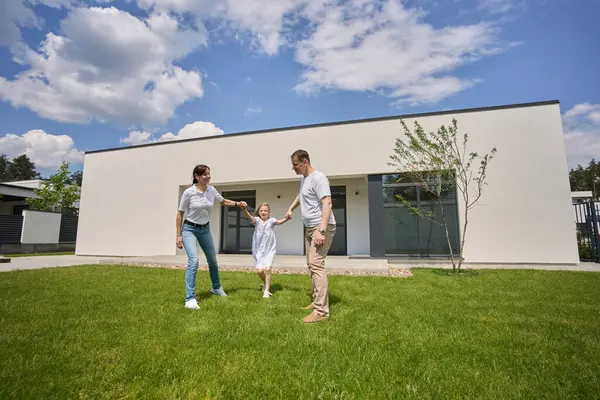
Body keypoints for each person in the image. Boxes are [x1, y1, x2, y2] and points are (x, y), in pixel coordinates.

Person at [176, 164, 247, 310]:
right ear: (197, 176)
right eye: (205, 174)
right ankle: (190, 299)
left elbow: (223, 201)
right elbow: (180, 214)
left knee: (212, 260)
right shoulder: (189, 192)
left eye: (209, 173)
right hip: (189, 228)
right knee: (194, 260)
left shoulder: (211, 190)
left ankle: (216, 288)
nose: (208, 176)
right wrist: (178, 235)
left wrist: (238, 203)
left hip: (205, 229)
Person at [285, 150, 336, 323]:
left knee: (316, 265)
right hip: (309, 227)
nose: (294, 168)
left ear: (305, 161)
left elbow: (327, 202)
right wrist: (291, 207)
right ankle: (316, 302)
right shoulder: (305, 180)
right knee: (311, 264)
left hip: (320, 227)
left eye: (295, 164)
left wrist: (321, 230)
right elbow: (301, 196)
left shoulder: (319, 177)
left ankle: (321, 311)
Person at [241, 202, 290, 298]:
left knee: (267, 269)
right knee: (260, 271)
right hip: (259, 249)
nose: (263, 212)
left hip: (269, 248)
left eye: (265, 211)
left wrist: (286, 218)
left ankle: (266, 290)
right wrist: (244, 210)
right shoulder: (257, 221)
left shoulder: (271, 221)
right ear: (259, 212)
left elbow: (279, 222)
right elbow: (250, 217)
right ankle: (265, 282)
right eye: (261, 211)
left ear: (269, 212)